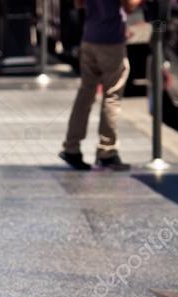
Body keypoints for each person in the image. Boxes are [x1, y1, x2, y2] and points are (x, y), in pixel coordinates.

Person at [59, 0, 143, 171]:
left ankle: (71, 147)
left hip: (89, 37)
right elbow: (129, 5)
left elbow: (78, 3)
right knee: (112, 95)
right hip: (111, 40)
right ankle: (107, 151)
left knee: (85, 93)